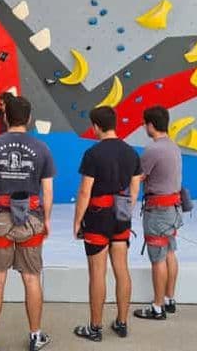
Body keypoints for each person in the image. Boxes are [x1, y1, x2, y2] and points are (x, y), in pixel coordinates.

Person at [0, 96, 55, 351]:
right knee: (32, 279)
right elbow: (48, 191)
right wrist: (46, 220)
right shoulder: (42, 148)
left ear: (5, 117)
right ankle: (36, 337)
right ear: (28, 118)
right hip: (31, 222)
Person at [73, 106, 142, 342]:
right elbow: (134, 188)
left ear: (96, 127)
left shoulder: (93, 153)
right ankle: (122, 323)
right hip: (121, 217)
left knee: (97, 273)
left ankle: (95, 328)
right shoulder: (132, 152)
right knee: (122, 270)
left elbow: (85, 191)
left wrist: (77, 220)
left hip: (97, 218)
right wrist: (125, 210)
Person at [133, 106, 183, 321]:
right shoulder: (173, 147)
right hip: (173, 208)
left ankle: (157, 306)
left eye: (145, 123)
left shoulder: (152, 150)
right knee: (170, 252)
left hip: (158, 210)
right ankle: (170, 299)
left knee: (158, 259)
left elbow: (139, 176)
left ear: (150, 125)